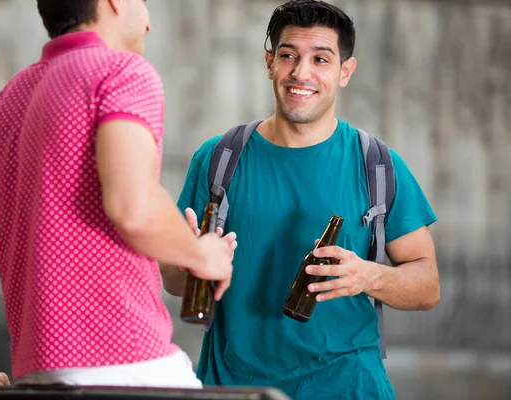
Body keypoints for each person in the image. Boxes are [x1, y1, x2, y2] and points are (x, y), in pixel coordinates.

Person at [0, 0, 235, 389]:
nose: (148, 22)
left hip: (39, 377)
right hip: (127, 366)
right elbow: (133, 209)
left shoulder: (3, 104)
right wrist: (203, 253)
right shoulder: (121, 72)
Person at [160, 1, 439, 399]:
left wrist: (369, 276)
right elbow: (172, 280)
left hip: (350, 386)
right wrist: (191, 262)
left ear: (345, 71)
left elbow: (428, 286)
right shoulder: (219, 159)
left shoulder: (377, 165)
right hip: (236, 386)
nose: (301, 73)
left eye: (320, 59)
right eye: (288, 55)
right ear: (270, 62)